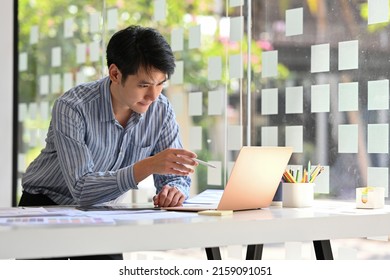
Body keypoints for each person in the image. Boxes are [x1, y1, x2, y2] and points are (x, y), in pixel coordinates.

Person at [19, 25, 199, 260]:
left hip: (101, 211)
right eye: (144, 85)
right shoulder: (73, 107)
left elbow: (175, 175)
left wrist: (175, 189)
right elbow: (81, 189)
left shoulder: (161, 110)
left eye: (160, 83)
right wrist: (148, 165)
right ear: (115, 74)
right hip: (45, 206)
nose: (154, 96)